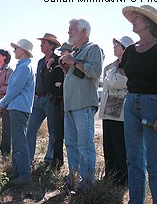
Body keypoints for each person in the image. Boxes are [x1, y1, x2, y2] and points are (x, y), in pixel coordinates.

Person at [119, 5, 157, 203]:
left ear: (148, 23)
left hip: (155, 103)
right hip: (131, 102)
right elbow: (123, 69)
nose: (132, 20)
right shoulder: (131, 50)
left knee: (156, 164)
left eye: (137, 17)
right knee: (133, 161)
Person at [59, 19, 103, 190]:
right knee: (71, 144)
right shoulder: (76, 51)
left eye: (71, 29)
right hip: (70, 105)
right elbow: (76, 76)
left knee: (84, 145)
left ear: (83, 32)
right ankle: (74, 179)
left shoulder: (92, 48)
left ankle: (87, 185)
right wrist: (66, 68)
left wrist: (73, 61)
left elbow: (95, 71)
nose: (68, 32)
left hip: (83, 104)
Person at [0, 39, 35, 185]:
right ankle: (18, 172)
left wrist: (2, 103)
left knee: (19, 141)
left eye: (17, 48)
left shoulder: (24, 68)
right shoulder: (23, 66)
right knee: (17, 141)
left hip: (19, 108)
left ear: (24, 51)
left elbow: (14, 89)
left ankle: (24, 175)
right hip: (17, 108)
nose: (14, 50)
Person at [99, 36, 133, 187]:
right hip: (110, 110)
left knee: (120, 146)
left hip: (121, 113)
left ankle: (122, 179)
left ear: (125, 48)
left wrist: (112, 70)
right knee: (109, 144)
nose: (114, 47)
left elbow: (117, 82)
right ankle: (111, 176)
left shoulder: (129, 65)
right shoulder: (113, 66)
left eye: (117, 45)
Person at [27, 33, 61, 165]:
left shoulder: (58, 60)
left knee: (53, 131)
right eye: (41, 43)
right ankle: (28, 159)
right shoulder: (40, 61)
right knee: (31, 129)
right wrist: (35, 93)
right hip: (38, 99)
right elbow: (38, 79)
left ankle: (49, 159)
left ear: (51, 46)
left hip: (51, 99)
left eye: (44, 43)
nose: (41, 45)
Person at [48, 42, 73, 170]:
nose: (61, 54)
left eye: (64, 51)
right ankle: (57, 163)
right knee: (57, 135)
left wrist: (60, 86)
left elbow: (62, 87)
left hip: (71, 106)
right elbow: (51, 86)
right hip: (58, 104)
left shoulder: (75, 69)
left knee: (72, 138)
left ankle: (74, 169)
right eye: (61, 51)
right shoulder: (58, 68)